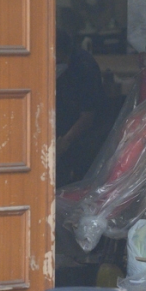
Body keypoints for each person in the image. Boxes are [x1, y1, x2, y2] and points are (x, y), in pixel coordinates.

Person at [55, 28, 106, 188]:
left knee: (80, 183)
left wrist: (65, 142)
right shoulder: (55, 66)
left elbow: (87, 116)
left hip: (85, 135)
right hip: (62, 127)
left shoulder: (84, 67)